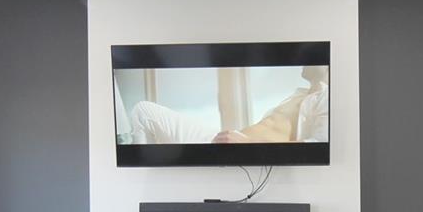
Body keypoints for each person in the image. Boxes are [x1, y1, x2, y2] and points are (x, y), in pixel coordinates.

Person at [128, 65, 329, 144]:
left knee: (144, 111)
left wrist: (246, 143)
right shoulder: (300, 94)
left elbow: (319, 145)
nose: (306, 61)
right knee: (144, 112)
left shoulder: (327, 97)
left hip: (239, 148)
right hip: (223, 139)